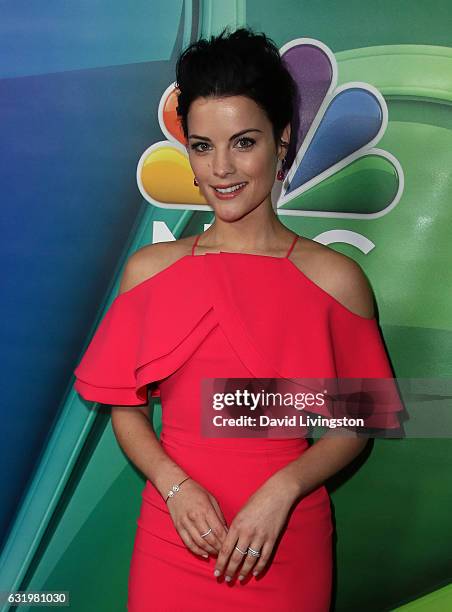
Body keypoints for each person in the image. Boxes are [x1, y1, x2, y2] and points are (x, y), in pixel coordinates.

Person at [73, 26, 402, 611]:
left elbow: (354, 425)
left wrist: (284, 488)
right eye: (202, 146)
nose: (221, 169)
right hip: (174, 538)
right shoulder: (150, 271)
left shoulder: (336, 280)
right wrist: (174, 486)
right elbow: (126, 409)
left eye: (242, 142)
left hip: (285, 541)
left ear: (281, 142)